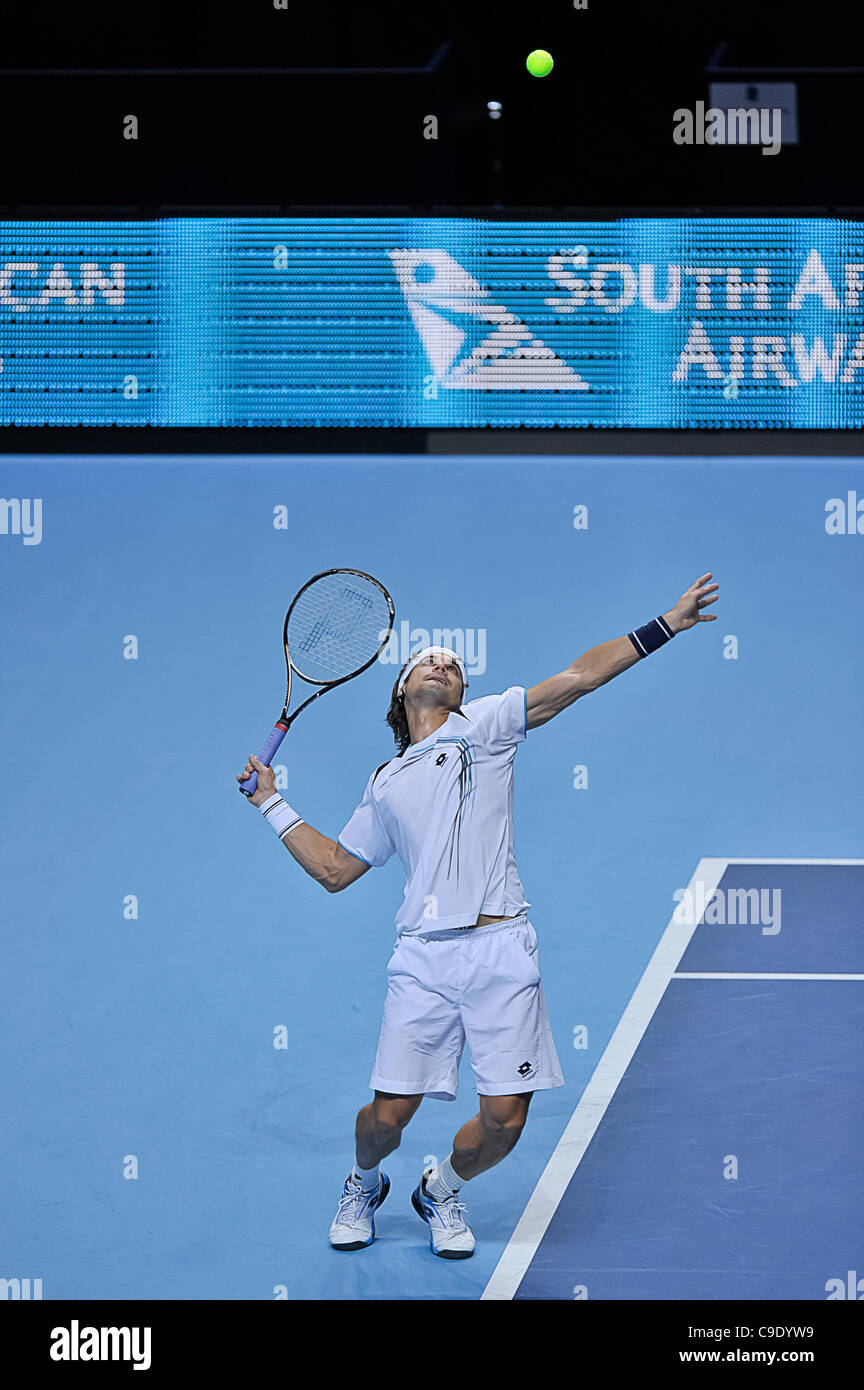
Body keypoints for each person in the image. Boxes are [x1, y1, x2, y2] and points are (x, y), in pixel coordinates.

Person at [237, 573, 719, 1259]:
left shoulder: (486, 728)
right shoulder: (385, 780)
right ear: (402, 691)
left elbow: (579, 678)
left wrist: (665, 624)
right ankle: (364, 1180)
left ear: (462, 694)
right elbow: (337, 870)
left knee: (504, 1122)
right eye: (427, 661)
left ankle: (440, 1190)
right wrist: (271, 802)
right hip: (424, 959)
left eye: (454, 665)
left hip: (502, 950)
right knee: (387, 1117)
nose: (444, 664)